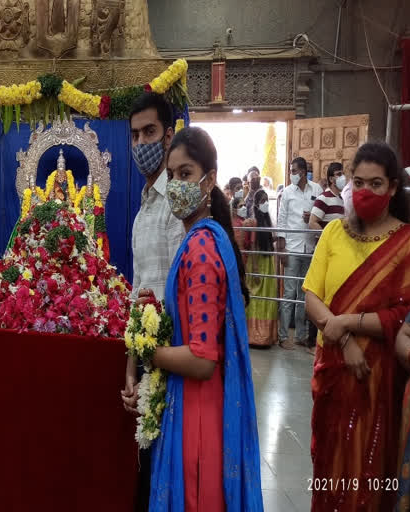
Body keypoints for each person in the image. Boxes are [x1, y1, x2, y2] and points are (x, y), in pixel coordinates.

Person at [144, 126, 262, 511]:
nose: (177, 184)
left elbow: (201, 358)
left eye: (186, 174)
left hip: (198, 411)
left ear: (209, 180)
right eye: (172, 174)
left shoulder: (200, 247)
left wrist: (145, 349)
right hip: (200, 404)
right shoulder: (203, 238)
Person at [303, 142, 410, 511]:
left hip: (380, 379)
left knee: (371, 468)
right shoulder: (334, 233)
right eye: (359, 182)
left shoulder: (408, 243)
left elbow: (406, 317)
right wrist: (345, 338)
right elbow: (311, 298)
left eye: (376, 184)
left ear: (393, 188)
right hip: (334, 371)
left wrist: (345, 321)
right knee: (331, 466)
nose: (365, 192)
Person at [118, 92, 184, 512]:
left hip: (176, 365)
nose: (141, 143)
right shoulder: (144, 208)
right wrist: (131, 370)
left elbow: (178, 300)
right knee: (146, 479)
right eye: (135, 134)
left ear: (169, 135)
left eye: (150, 132)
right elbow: (138, 292)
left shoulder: (179, 203)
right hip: (147, 362)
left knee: (169, 480)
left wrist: (155, 367)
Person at [275, 157, 323, 349]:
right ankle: (283, 336)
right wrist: (282, 246)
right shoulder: (286, 192)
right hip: (292, 247)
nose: (291, 174)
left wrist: (311, 215)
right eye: (291, 171)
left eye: (294, 171)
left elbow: (321, 213)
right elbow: (282, 219)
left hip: (309, 247)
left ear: (303, 172)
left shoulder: (316, 190)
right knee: (288, 293)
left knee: (304, 295)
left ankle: (301, 335)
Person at [246, 189, 278, 347]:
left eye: (267, 200)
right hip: (257, 263)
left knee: (268, 298)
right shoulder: (255, 221)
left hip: (268, 262)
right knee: (257, 298)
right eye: (262, 200)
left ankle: (267, 336)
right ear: (256, 203)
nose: (265, 203)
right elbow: (252, 245)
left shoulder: (267, 220)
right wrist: (255, 270)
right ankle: (254, 335)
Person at [309, 162, 346, 230]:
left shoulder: (342, 199)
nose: (343, 177)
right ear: (331, 179)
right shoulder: (323, 198)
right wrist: (326, 238)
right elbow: (312, 223)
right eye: (339, 174)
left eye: (343, 174)